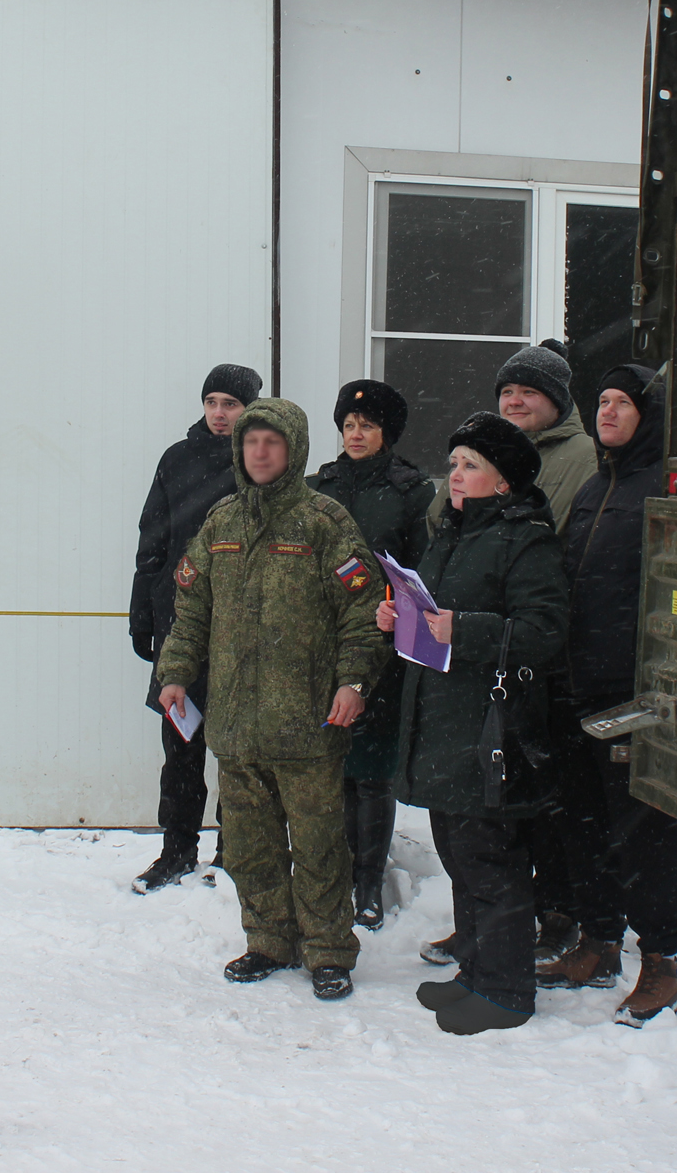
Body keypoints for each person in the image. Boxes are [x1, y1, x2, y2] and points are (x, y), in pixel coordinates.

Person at [155, 398, 386, 1002]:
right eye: (251, 441)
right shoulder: (222, 522)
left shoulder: (324, 522)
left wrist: (353, 683)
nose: (259, 452)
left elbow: (363, 614)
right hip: (236, 724)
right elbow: (191, 611)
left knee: (318, 846)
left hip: (307, 723)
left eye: (272, 443)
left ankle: (328, 949)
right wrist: (174, 674)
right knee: (250, 846)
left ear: (294, 450)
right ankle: (269, 940)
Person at [384, 411, 570, 1035]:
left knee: (492, 860)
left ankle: (507, 991)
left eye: (471, 465)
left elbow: (545, 631)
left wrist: (464, 629)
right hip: (445, 721)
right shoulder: (454, 531)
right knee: (462, 857)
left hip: (491, 727)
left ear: (504, 481)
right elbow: (436, 621)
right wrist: (402, 621)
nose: (456, 475)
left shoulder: (526, 540)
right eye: (454, 463)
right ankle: (476, 972)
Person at [533, 364, 677, 1026]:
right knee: (583, 820)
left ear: (648, 416)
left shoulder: (664, 490)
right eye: (602, 400)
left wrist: (663, 670)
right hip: (576, 684)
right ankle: (599, 943)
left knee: (642, 829)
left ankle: (661, 963)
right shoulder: (596, 487)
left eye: (623, 402)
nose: (608, 411)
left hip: (631, 693)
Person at [129, 363, 261, 893]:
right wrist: (143, 611)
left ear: (249, 409)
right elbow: (152, 538)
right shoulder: (176, 458)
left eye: (231, 404)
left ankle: (234, 851)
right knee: (180, 744)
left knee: (236, 747)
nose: (219, 413)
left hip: (238, 627)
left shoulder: (259, 461)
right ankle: (177, 848)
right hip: (179, 623)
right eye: (212, 402)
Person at [308, 379, 433, 929]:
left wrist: (398, 616)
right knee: (333, 763)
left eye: (368, 426)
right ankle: (336, 873)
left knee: (373, 769)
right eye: (349, 425)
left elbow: (421, 570)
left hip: (383, 644)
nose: (356, 434)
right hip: (323, 642)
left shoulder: (411, 491)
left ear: (388, 432)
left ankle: (368, 882)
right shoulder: (319, 486)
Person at [427, 341, 596, 532]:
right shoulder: (481, 450)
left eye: (528, 392)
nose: (514, 401)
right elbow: (435, 521)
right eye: (507, 391)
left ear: (557, 401)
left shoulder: (589, 459)